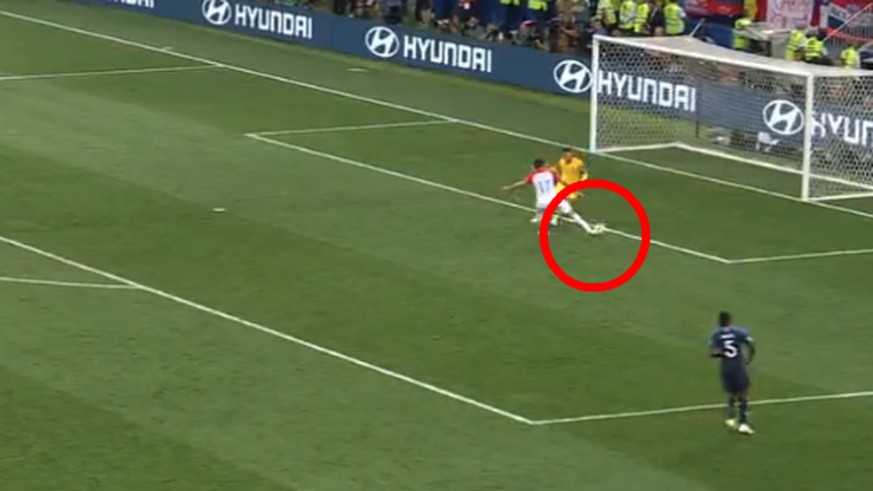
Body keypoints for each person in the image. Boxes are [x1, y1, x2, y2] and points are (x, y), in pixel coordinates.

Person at [503, 159, 604, 235]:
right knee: (571, 213)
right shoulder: (551, 172)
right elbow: (561, 181)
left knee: (540, 218)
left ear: (535, 167)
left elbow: (521, 184)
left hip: (541, 202)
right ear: (543, 165)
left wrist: (509, 188)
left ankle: (542, 232)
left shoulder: (532, 176)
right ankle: (589, 229)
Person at [709, 311, 756, 435]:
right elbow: (751, 343)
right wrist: (749, 358)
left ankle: (730, 417)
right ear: (730, 320)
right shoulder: (738, 332)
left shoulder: (716, 334)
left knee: (732, 392)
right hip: (738, 366)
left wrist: (722, 353)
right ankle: (743, 423)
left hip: (726, 367)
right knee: (743, 393)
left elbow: (713, 353)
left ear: (719, 322)